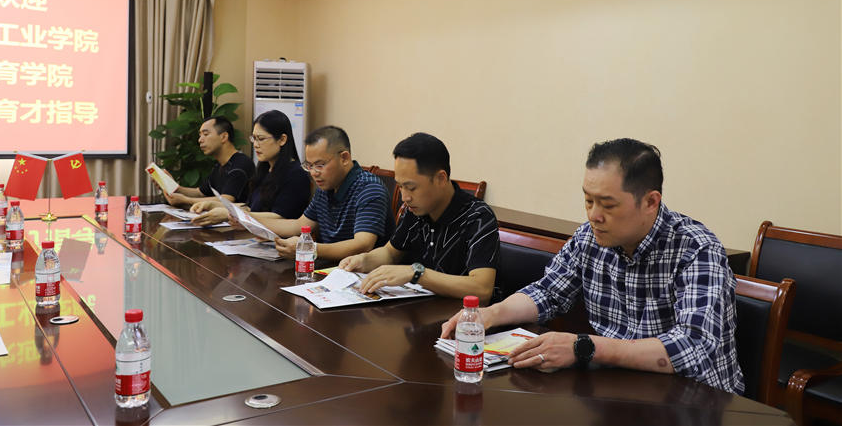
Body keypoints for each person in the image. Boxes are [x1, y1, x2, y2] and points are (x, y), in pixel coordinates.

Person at [440, 138, 745, 395]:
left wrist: (583, 347)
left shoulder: (696, 249)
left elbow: (692, 346)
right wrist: (490, 314)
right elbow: (548, 292)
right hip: (620, 391)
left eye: (608, 205)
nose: (594, 215)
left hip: (695, 402)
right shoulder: (590, 237)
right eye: (588, 201)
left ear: (651, 202)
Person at [339, 133, 499, 303]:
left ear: (441, 178)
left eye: (411, 188)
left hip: (460, 315)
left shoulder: (478, 216)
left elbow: (482, 289)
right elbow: (390, 253)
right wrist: (364, 260)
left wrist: (417, 273)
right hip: (417, 309)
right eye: (400, 187)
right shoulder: (415, 210)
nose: (405, 197)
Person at [260, 125, 394, 261]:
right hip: (329, 267)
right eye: (309, 165)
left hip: (361, 270)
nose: (314, 173)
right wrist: (249, 220)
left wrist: (309, 248)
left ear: (344, 158)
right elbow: (299, 226)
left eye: (320, 165)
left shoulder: (369, 188)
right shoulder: (326, 187)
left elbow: (363, 245)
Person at [190, 110, 311, 226]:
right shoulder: (265, 170)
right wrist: (212, 205)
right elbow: (250, 208)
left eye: (261, 139)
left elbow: (280, 217)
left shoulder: (296, 174)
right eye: (254, 139)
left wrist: (230, 215)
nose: (256, 145)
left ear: (282, 139)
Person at [163, 116, 255, 207]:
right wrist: (175, 187)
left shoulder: (241, 164)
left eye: (206, 134)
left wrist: (186, 200)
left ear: (224, 137)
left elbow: (226, 200)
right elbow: (200, 193)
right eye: (200, 135)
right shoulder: (219, 165)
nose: (200, 140)